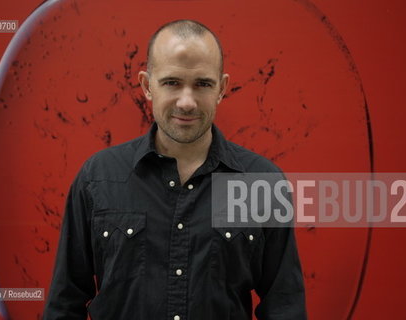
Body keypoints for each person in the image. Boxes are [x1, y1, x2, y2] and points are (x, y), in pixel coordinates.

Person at [43, 19, 306, 320]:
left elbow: (285, 307)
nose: (187, 101)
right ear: (146, 85)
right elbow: (64, 304)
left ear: (222, 88)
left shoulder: (262, 182)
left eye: (203, 84)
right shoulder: (97, 178)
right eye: (172, 83)